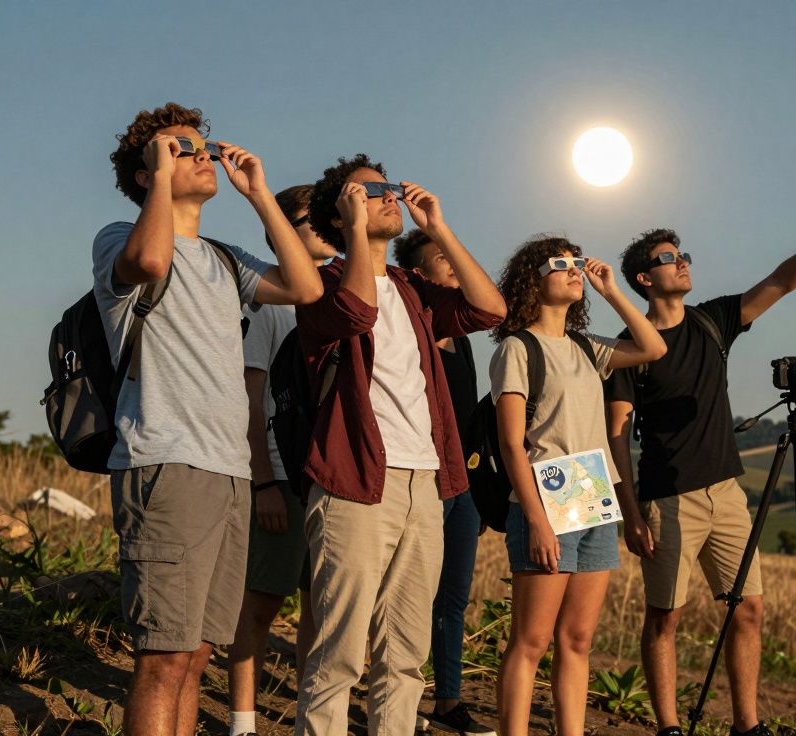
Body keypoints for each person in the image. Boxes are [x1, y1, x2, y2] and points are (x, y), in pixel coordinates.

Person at [95, 102, 323, 736]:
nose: (201, 154)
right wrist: (161, 177)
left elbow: (307, 289)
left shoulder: (227, 259)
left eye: (202, 145)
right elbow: (149, 264)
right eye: (180, 147)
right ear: (146, 170)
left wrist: (259, 195)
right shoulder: (119, 236)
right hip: (167, 464)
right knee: (162, 658)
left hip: (227, 473)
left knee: (195, 657)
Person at [604, 211, 796, 736]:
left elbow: (779, 281)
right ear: (644, 279)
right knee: (665, 618)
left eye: (683, 256)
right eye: (669, 259)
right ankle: (669, 727)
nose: (682, 263)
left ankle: (746, 726)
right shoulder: (629, 348)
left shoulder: (713, 320)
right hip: (666, 499)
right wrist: (629, 511)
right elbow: (616, 434)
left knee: (748, 609)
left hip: (726, 493)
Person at [293, 155, 506, 735]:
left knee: (406, 656)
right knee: (339, 654)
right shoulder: (320, 283)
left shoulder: (415, 288)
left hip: (426, 483)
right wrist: (357, 228)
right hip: (356, 479)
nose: (390, 196)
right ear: (340, 212)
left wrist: (437, 227)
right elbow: (357, 312)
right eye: (371, 192)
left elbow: (490, 308)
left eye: (389, 189)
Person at [490, 235, 666, 736]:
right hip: (547, 493)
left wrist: (612, 291)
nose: (573, 271)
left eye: (577, 264)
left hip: (592, 490)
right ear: (532, 278)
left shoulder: (589, 348)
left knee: (578, 639)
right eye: (560, 264)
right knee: (531, 639)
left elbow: (654, 345)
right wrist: (537, 520)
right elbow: (510, 445)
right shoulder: (516, 348)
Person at [226, 184, 338, 736]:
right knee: (262, 603)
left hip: (330, 479)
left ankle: (307, 719)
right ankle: (243, 724)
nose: (321, 224)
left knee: (322, 611)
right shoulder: (271, 302)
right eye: (307, 218)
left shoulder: (336, 297)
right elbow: (251, 397)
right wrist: (263, 482)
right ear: (279, 231)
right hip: (280, 476)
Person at [392, 229, 496, 735]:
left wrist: (477, 487)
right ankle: (397, 701)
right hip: (422, 481)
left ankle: (448, 700)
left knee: (452, 600)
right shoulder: (417, 329)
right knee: (408, 595)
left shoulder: (464, 339)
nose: (454, 266)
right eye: (441, 259)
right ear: (420, 275)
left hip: (464, 487)